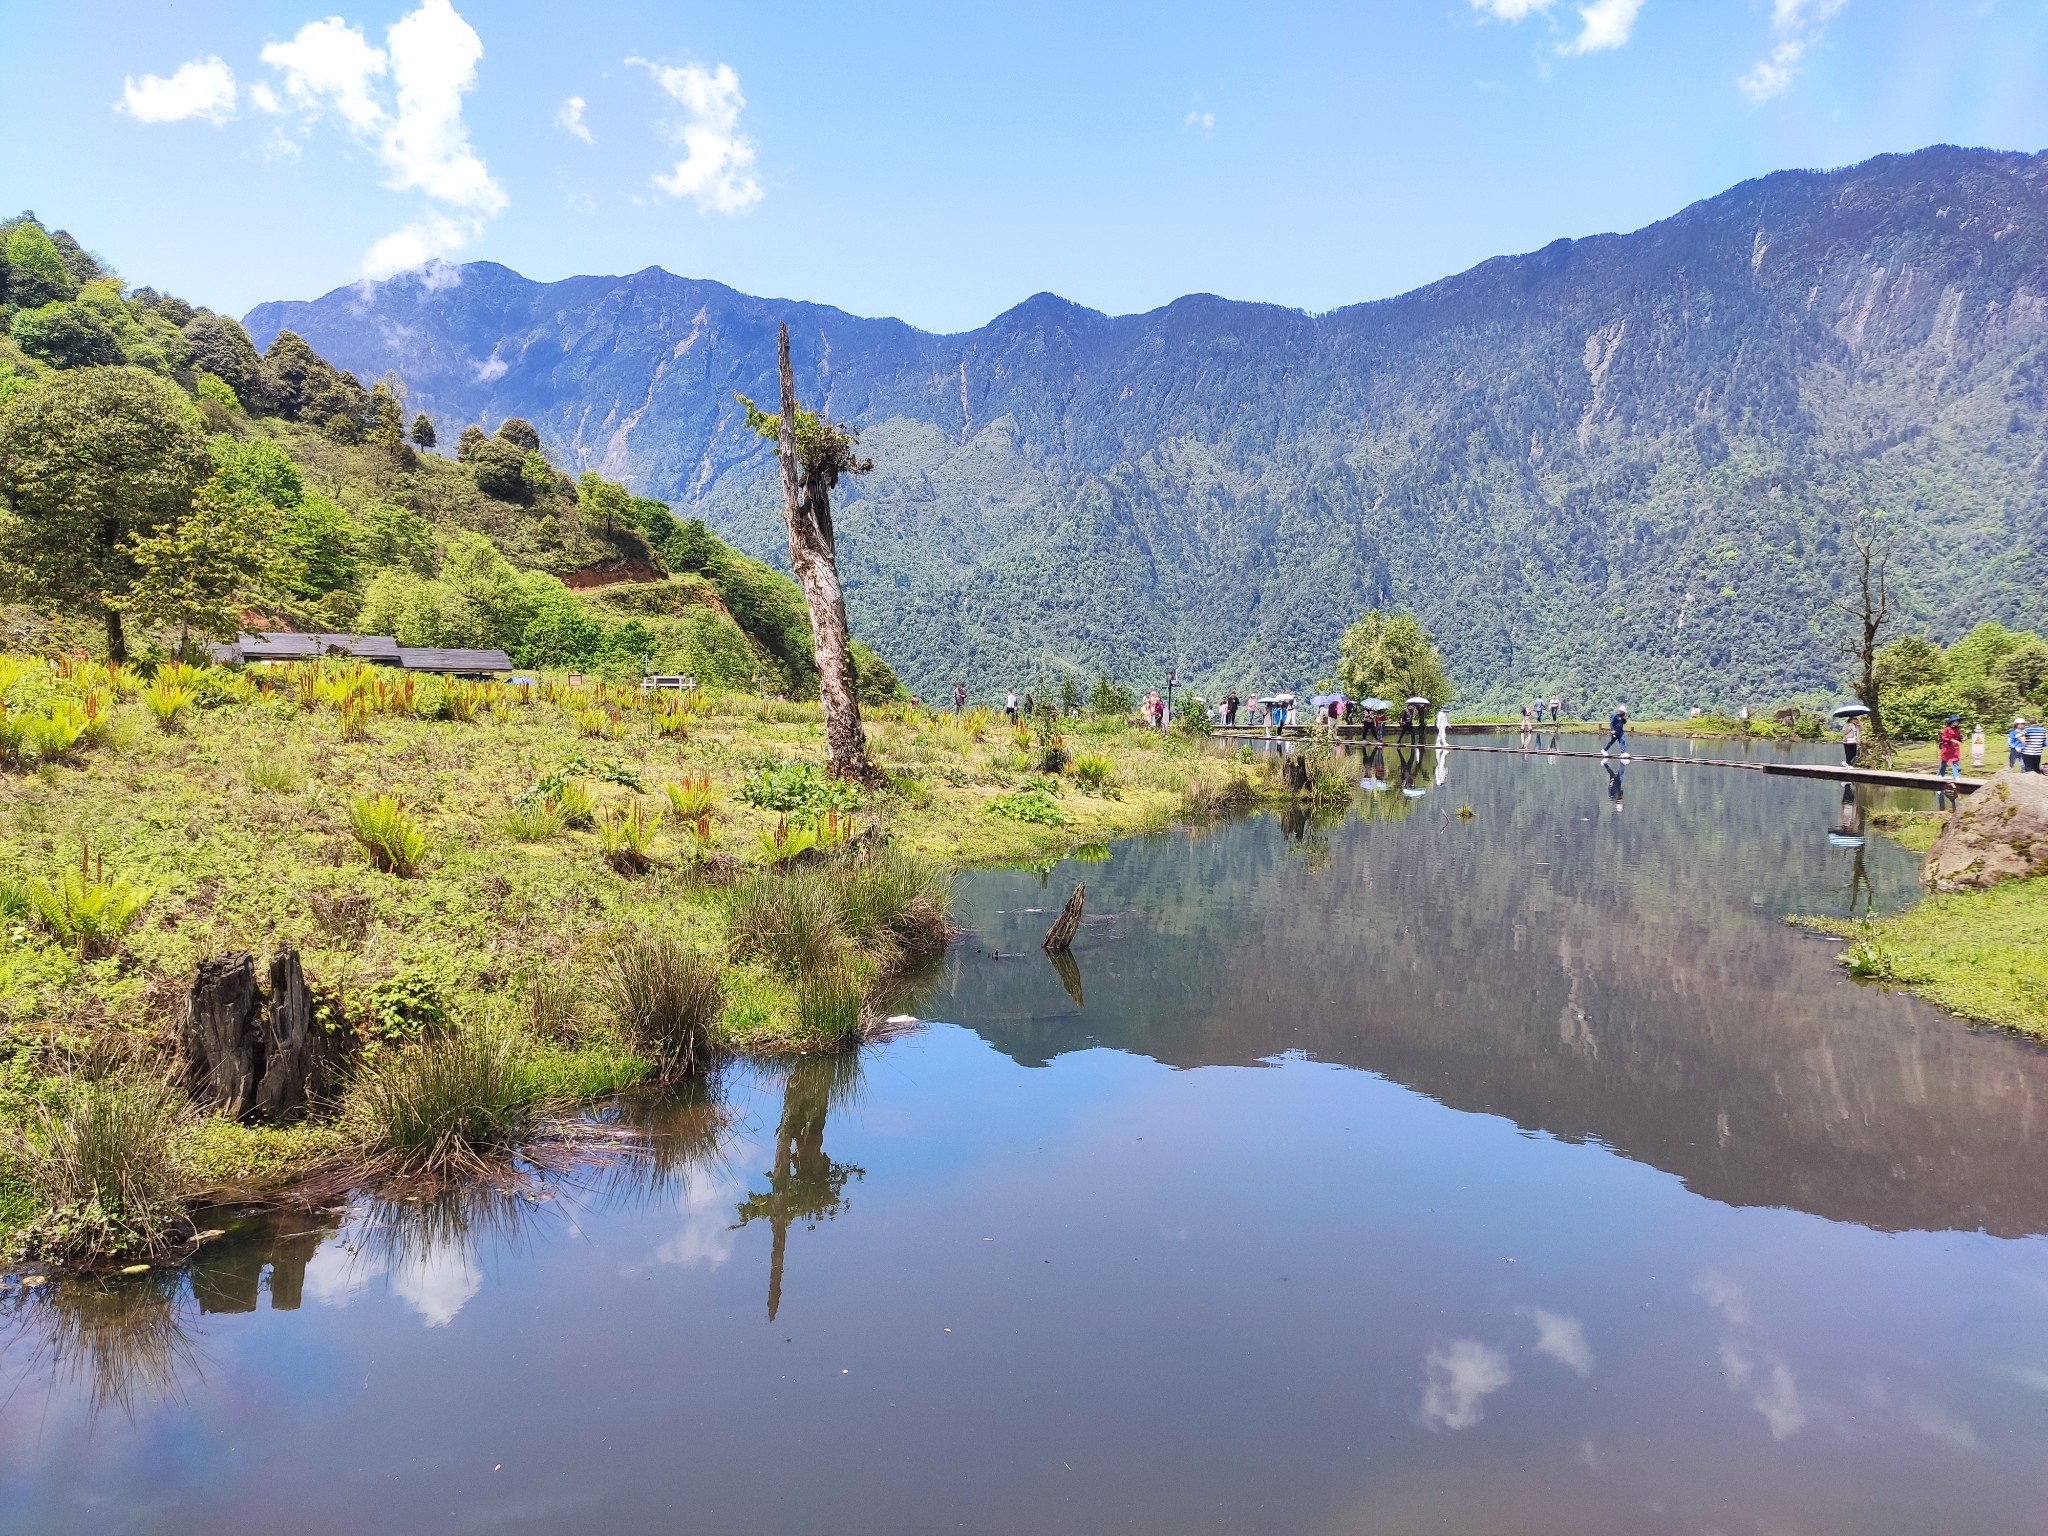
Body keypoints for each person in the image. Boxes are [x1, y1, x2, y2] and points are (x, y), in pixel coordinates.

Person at [1938, 715, 1963, 780]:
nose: (1957, 722)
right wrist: (1950, 740)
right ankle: (1940, 774)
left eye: (1957, 721)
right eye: (1955, 721)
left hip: (1954, 747)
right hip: (1947, 747)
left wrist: (1960, 739)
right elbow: (1944, 737)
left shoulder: (1957, 729)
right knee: (1944, 761)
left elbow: (1958, 737)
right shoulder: (1946, 729)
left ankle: (1956, 776)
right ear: (1952, 722)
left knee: (1955, 761)